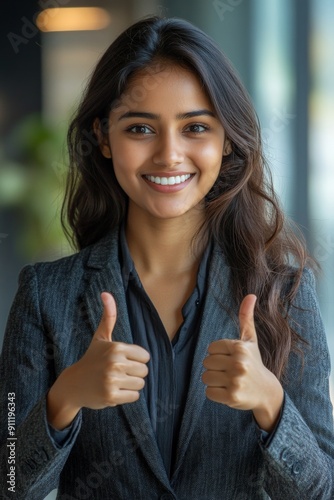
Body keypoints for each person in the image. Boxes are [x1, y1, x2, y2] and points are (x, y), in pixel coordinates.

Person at [0, 15, 333, 500]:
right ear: (104, 137)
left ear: (225, 140)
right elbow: (9, 480)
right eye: (140, 128)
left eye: (195, 127)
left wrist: (271, 404)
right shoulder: (44, 295)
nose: (169, 155)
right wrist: (64, 398)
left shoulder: (285, 291)